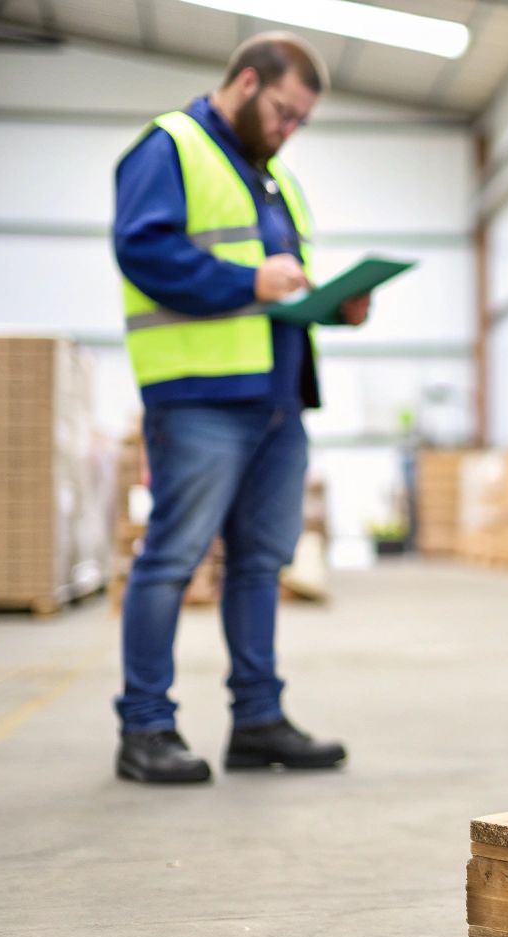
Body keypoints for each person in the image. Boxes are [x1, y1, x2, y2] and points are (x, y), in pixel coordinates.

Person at [111, 32, 365, 783]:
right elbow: (146, 252)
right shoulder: (171, 146)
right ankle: (146, 728)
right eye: (284, 112)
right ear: (248, 83)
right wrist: (248, 283)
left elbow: (283, 288)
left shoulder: (274, 181)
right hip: (199, 398)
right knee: (172, 560)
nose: (289, 131)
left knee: (259, 565)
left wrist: (332, 306)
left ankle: (257, 722)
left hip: (277, 400)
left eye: (300, 122)